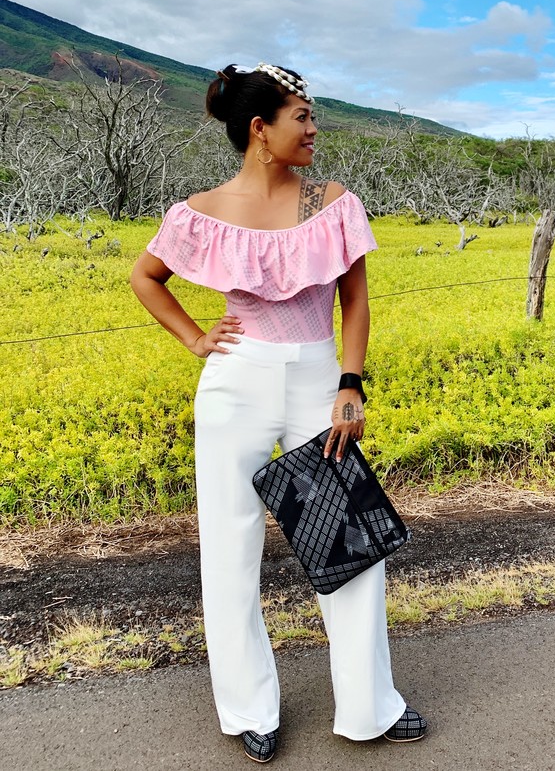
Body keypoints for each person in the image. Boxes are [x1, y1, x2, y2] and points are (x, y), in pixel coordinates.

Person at [130, 62, 426, 763]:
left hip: (320, 380)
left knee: (347, 543)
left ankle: (370, 707)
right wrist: (196, 338)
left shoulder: (327, 201)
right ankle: (248, 708)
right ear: (260, 130)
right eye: (302, 116)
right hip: (235, 384)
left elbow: (355, 299)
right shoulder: (201, 210)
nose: (315, 128)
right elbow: (146, 278)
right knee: (229, 549)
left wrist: (350, 382)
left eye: (313, 114)